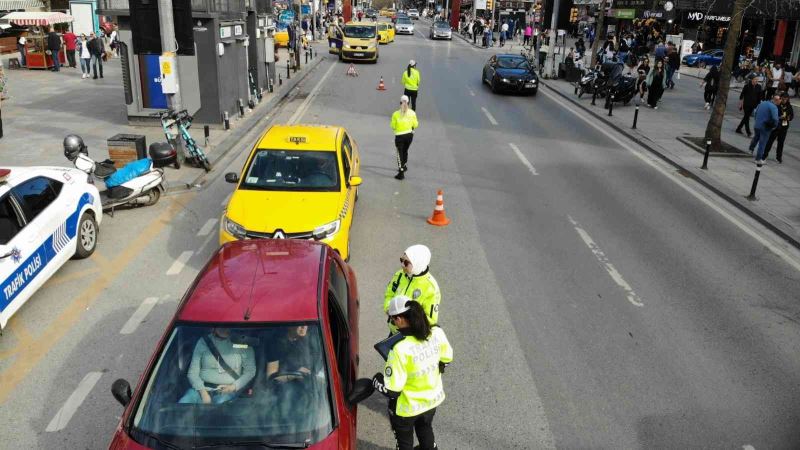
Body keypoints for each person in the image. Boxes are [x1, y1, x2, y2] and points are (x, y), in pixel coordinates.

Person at [372, 297, 453, 450]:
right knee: (425, 429)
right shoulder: (436, 332)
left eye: (393, 319)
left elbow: (392, 391)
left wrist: (376, 381)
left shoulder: (399, 349)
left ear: (400, 319)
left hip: (407, 409)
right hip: (431, 401)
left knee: (404, 444)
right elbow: (446, 359)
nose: (393, 322)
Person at [179, 328, 256, 404]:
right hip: (200, 389)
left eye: (227, 325)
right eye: (221, 326)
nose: (225, 328)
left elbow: (250, 371)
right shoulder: (204, 342)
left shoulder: (241, 344)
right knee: (183, 403)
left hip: (229, 391)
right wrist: (203, 394)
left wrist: (233, 387)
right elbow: (192, 373)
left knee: (221, 406)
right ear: (214, 327)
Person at [384, 244, 440, 334]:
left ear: (418, 263)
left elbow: (431, 320)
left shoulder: (431, 288)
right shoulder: (399, 275)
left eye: (406, 263)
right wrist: (389, 310)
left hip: (412, 337)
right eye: (401, 260)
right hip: (394, 331)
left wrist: (407, 324)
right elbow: (389, 294)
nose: (402, 265)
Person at [391, 96, 418, 180]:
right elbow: (416, 125)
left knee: (400, 153)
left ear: (400, 103)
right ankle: (404, 165)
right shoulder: (412, 113)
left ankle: (401, 172)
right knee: (405, 150)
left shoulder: (395, 114)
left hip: (400, 137)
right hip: (409, 136)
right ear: (408, 103)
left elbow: (392, 126)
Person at [748, 94, 781, 162]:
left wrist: (757, 121)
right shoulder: (774, 107)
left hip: (757, 125)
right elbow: (775, 119)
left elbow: (755, 112)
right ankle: (758, 159)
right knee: (762, 143)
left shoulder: (762, 103)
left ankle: (751, 149)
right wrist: (774, 126)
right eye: (780, 101)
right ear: (777, 100)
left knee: (756, 137)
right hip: (765, 127)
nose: (780, 102)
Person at [764, 92, 793, 163]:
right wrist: (779, 117)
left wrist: (789, 118)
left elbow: (791, 115)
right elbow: (773, 115)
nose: (785, 100)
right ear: (781, 98)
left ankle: (778, 157)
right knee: (770, 141)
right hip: (776, 126)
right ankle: (764, 155)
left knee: (781, 143)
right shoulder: (777, 105)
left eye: (786, 99)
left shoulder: (789, 106)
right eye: (783, 99)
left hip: (784, 127)